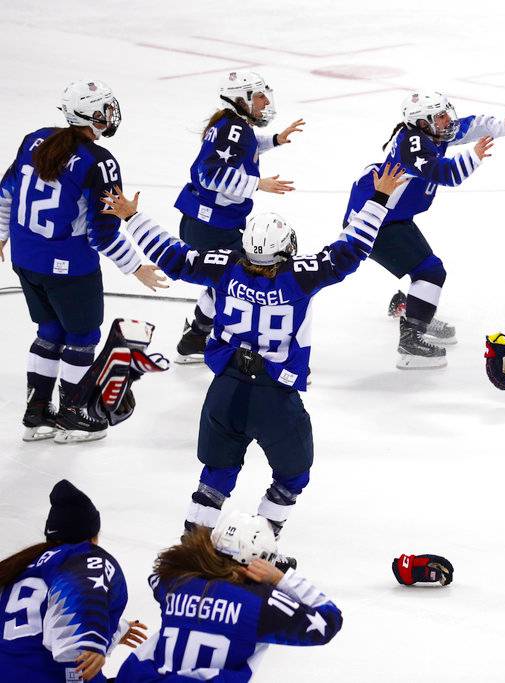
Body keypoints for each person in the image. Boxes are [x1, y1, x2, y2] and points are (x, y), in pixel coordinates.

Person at [100, 163, 406, 557]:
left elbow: (174, 256)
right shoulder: (300, 276)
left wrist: (132, 216)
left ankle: (193, 549)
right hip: (274, 394)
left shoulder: (226, 268)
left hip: (225, 388)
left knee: (215, 476)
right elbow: (352, 248)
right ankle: (262, 542)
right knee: (293, 474)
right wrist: (378, 199)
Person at [0, 79, 166, 443]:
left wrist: (1, 236)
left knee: (49, 332)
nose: (110, 115)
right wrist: (136, 267)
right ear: (88, 114)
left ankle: (36, 413)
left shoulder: (35, 139)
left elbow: (6, 191)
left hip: (26, 259)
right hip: (70, 268)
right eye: (104, 109)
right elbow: (101, 234)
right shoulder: (99, 162)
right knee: (82, 337)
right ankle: (75, 416)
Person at [343, 91, 505, 368]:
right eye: (440, 116)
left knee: (425, 269)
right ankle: (411, 342)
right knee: (430, 270)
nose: (447, 120)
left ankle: (409, 308)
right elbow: (446, 174)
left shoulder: (430, 132)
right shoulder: (413, 144)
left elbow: (469, 124)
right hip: (373, 219)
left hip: (391, 215)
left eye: (445, 113)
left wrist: (502, 126)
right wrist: (474, 156)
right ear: (422, 123)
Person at [174, 70, 305, 364]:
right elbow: (207, 174)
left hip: (207, 221)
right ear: (240, 99)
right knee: (231, 281)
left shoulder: (231, 124)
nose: (263, 102)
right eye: (258, 97)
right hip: (211, 224)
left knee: (223, 280)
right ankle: (196, 339)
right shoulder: (232, 127)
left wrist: (275, 140)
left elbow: (240, 149)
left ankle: (196, 337)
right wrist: (258, 184)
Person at [115, 511, 342, 681]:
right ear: (261, 560)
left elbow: (156, 580)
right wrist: (281, 579)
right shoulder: (260, 604)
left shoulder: (175, 583)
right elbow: (328, 622)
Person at [0, 480, 148, 681]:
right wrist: (91, 640)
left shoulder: (23, 568)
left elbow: (36, 632)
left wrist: (115, 631)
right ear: (91, 536)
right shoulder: (83, 556)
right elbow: (82, 588)